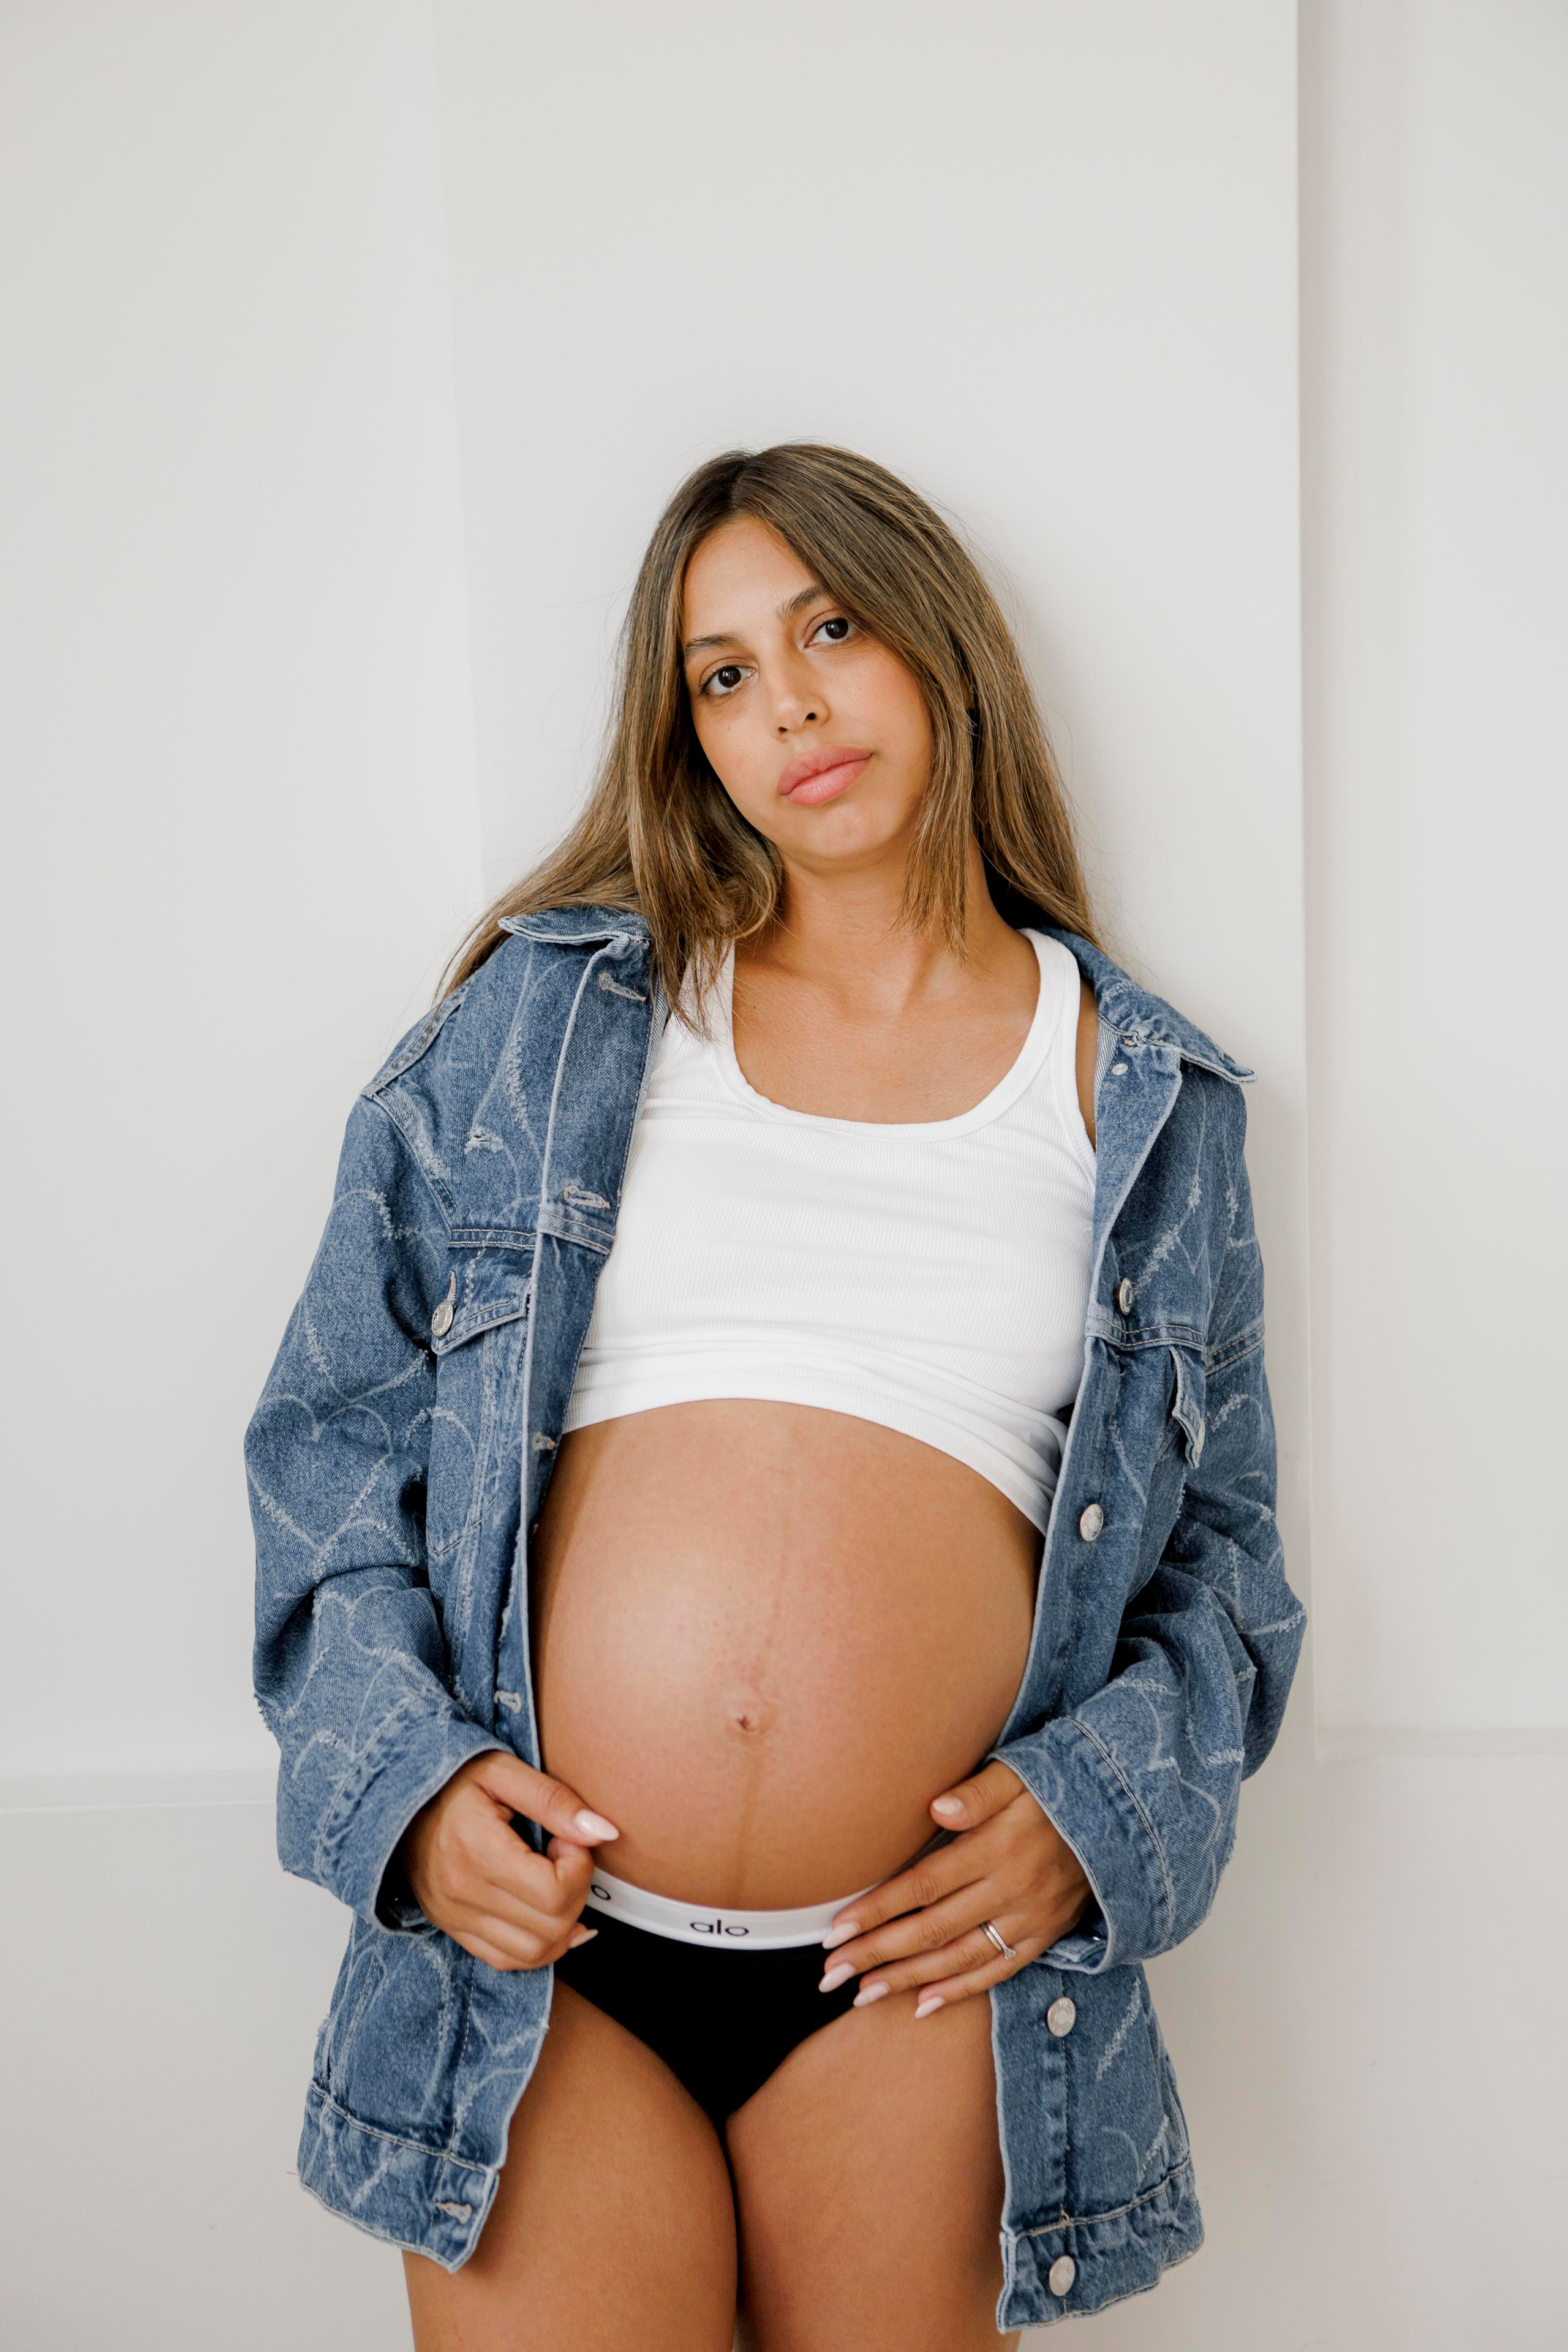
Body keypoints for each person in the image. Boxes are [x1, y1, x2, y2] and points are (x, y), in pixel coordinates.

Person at [245, 443, 1304, 2350]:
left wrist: (1093, 1817)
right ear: (688, 738)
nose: (789, 702)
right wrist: (403, 1796)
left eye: (830, 628)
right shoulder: (553, 1019)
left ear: (940, 648)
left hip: (907, 1983)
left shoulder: (1141, 1101)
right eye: (721, 673)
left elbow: (1226, 1576)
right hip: (544, 1972)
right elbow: (331, 1444)